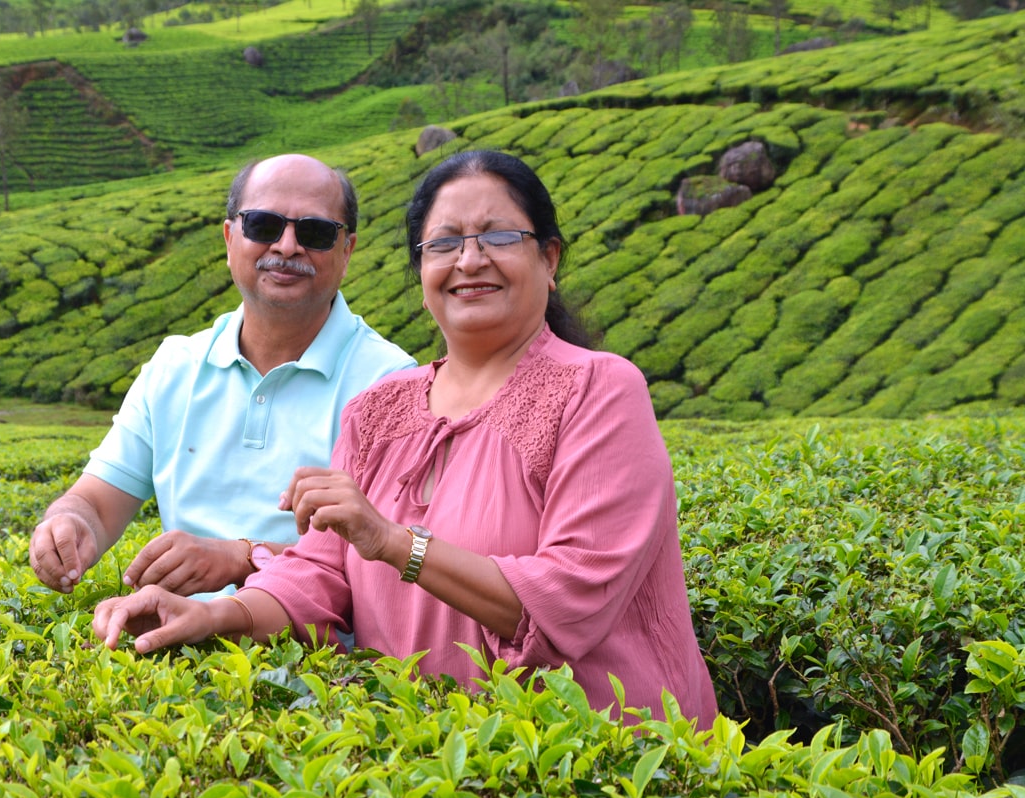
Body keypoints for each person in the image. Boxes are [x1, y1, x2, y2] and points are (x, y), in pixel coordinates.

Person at [91, 150, 718, 724]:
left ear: (548, 259)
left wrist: (393, 542)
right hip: (435, 756)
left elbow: (573, 597)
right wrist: (210, 615)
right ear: (421, 270)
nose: (471, 260)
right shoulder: (378, 410)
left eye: (499, 237)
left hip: (602, 753)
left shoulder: (599, 390)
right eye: (443, 244)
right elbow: (319, 572)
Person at [30, 154, 415, 599]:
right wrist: (69, 525)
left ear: (346, 251)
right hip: (173, 651)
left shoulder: (391, 384)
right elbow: (96, 503)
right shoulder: (175, 366)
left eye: (315, 232)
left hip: (316, 660)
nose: (287, 247)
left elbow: (388, 562)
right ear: (230, 237)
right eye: (263, 226)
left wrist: (241, 557)